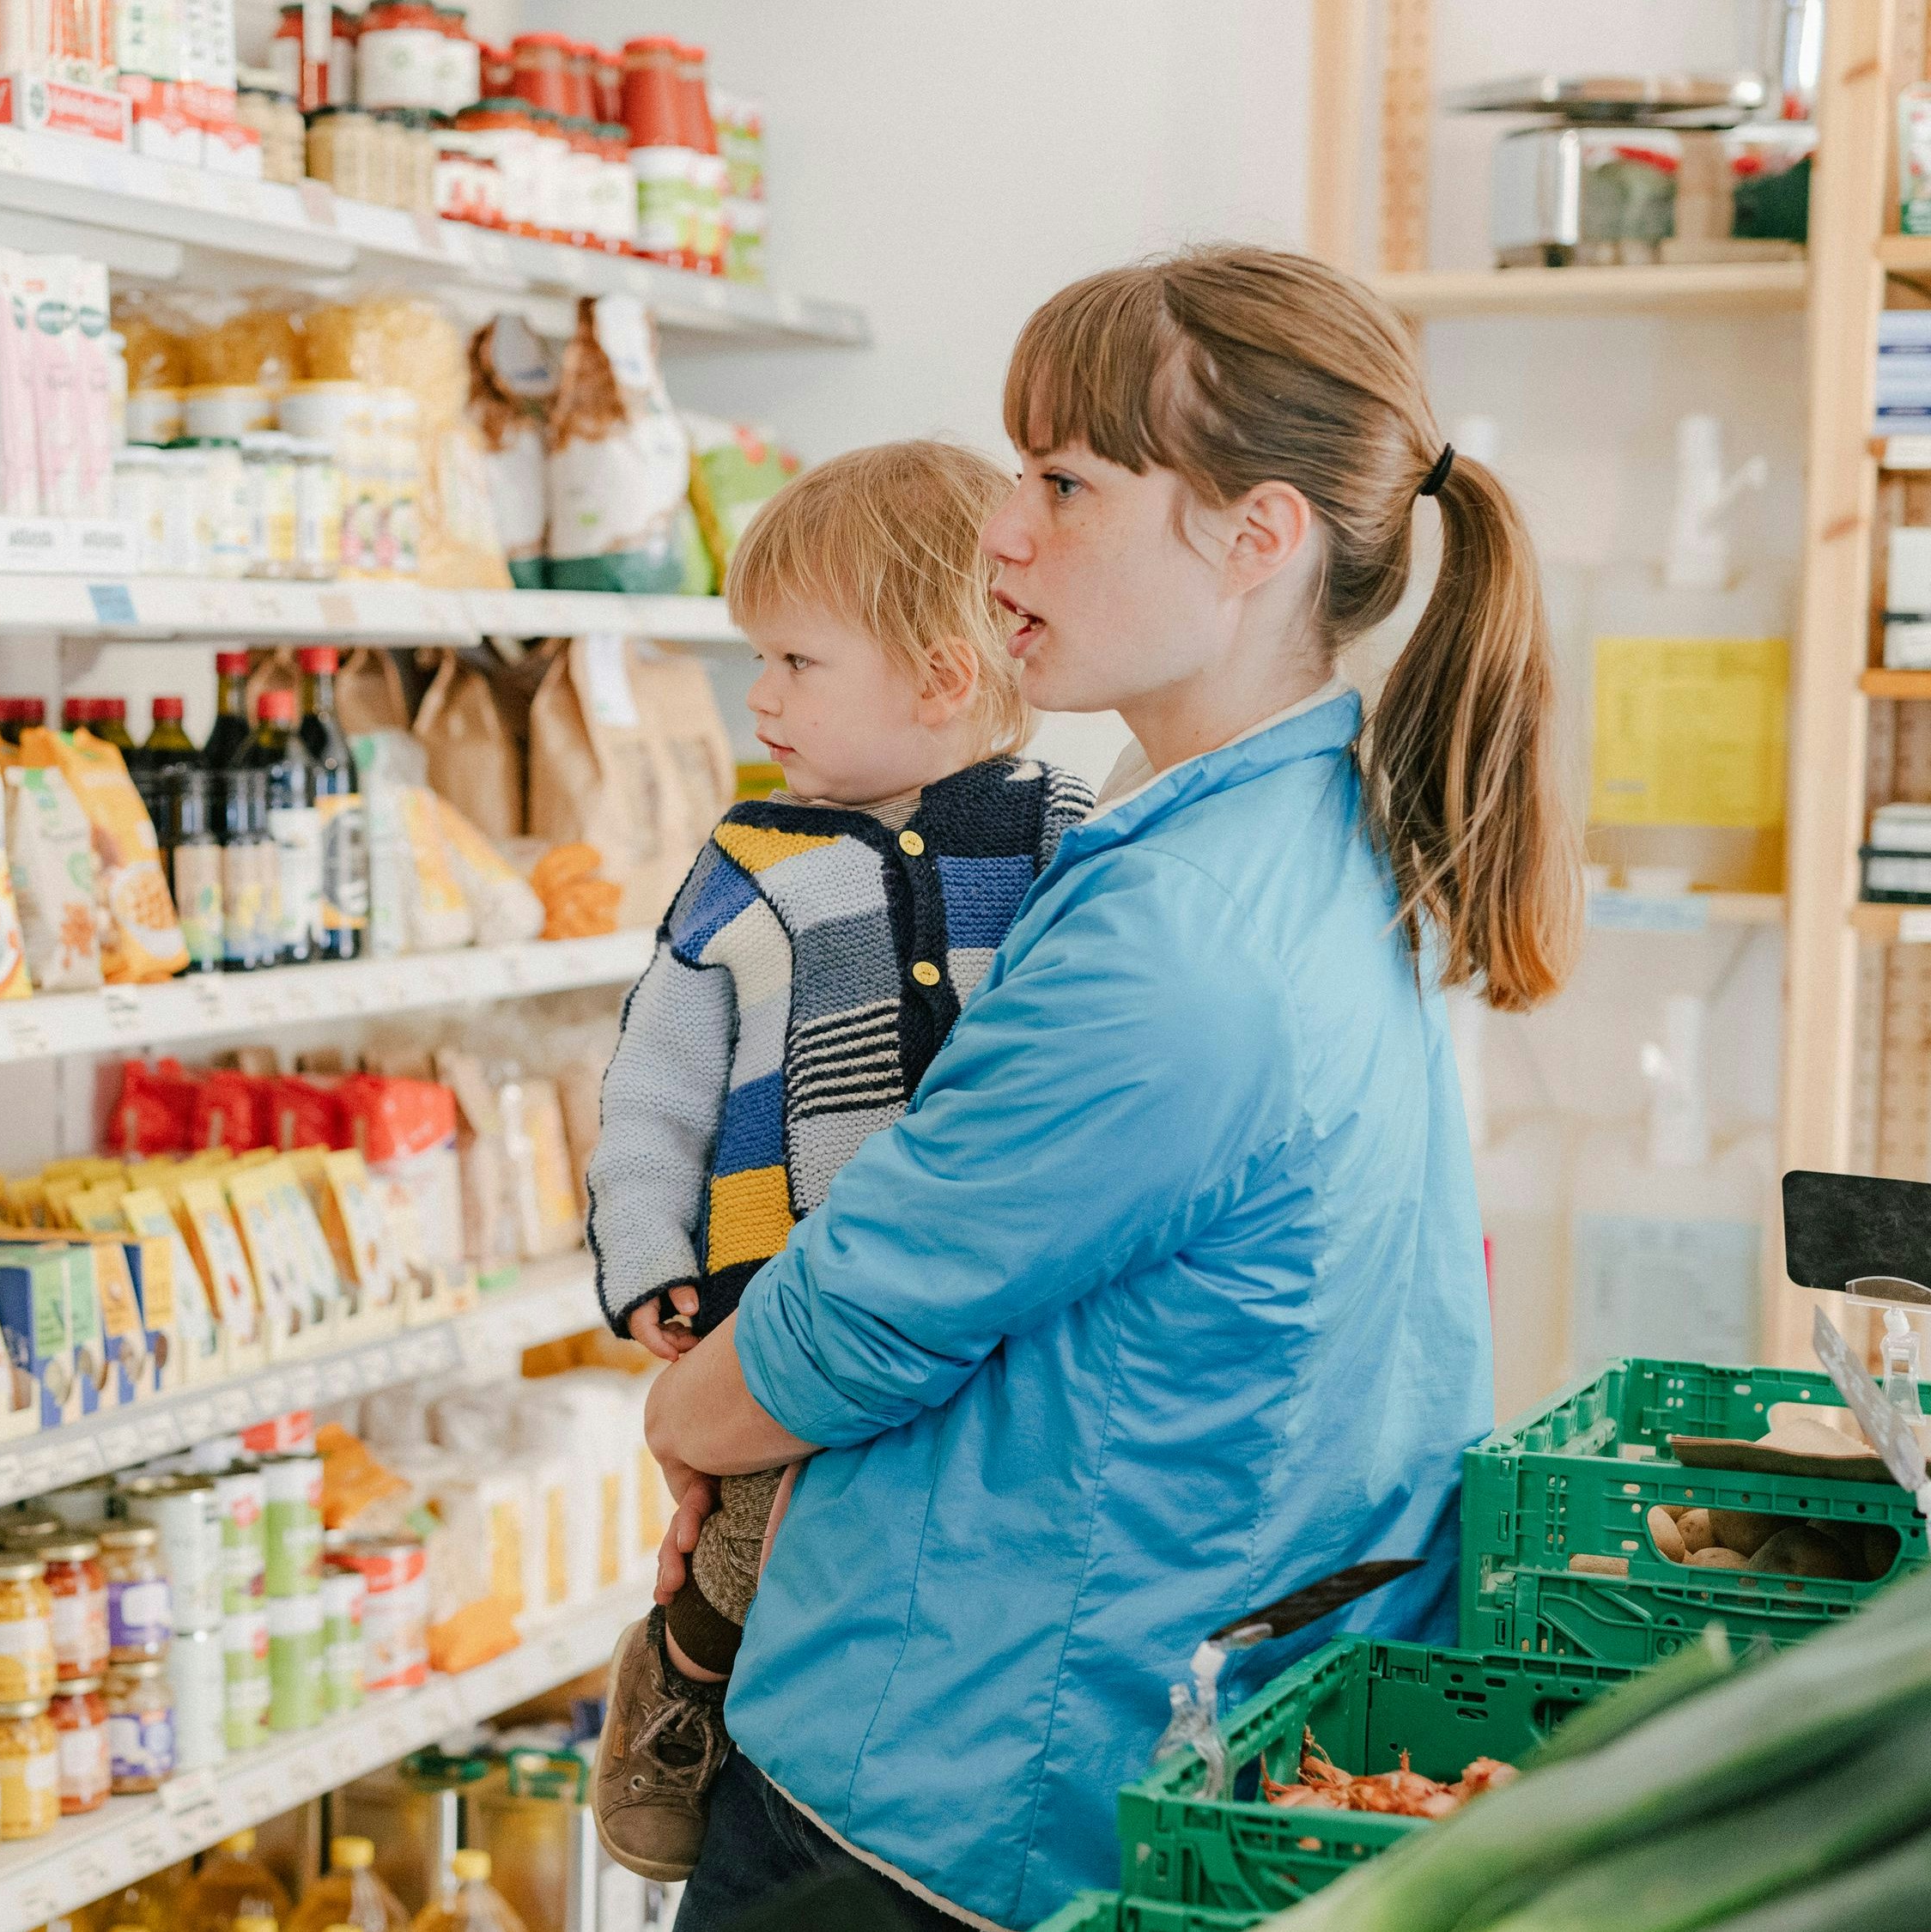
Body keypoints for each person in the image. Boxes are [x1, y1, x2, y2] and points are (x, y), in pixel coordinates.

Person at [641, 245, 1574, 1930]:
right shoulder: (1302, 812)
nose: (1002, 530)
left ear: (1256, 537)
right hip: (1138, 1689)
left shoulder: (1181, 935)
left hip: (968, 1779)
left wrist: (683, 1426)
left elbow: (864, 1314)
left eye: (1064, 482)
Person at [581, 439, 1092, 1882]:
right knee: (755, 1526)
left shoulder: (1063, 836)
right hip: (781, 1288)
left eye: (797, 661)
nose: (761, 697)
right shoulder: (747, 862)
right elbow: (655, 1085)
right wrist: (648, 1257)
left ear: (940, 676)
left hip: (979, 1305)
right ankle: (687, 1679)